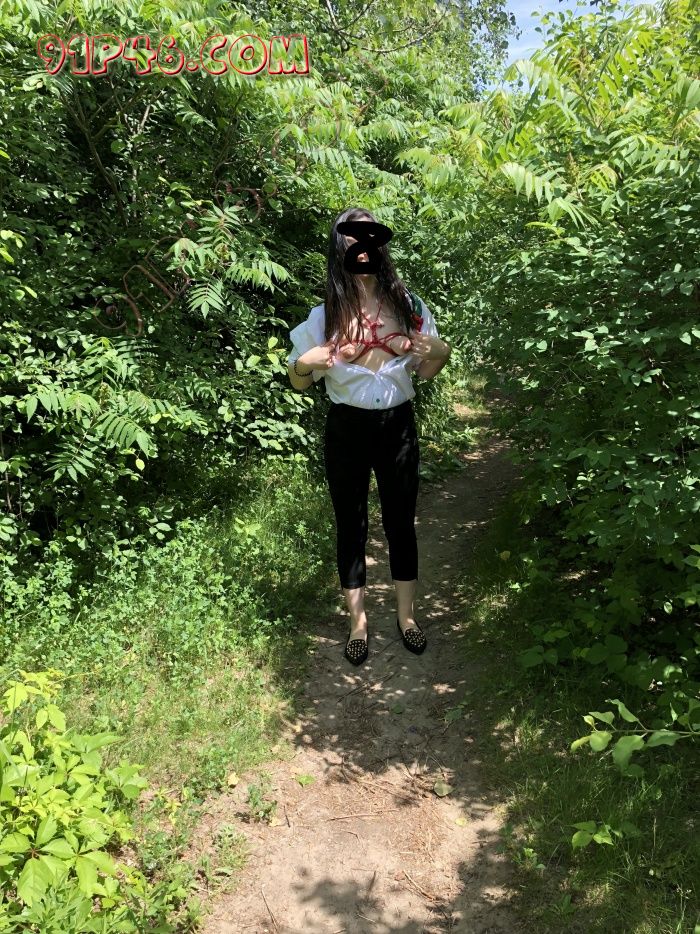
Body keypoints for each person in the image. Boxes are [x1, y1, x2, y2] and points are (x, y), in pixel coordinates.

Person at [286, 207, 451, 666]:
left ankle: (407, 617)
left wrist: (441, 350)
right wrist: (305, 363)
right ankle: (358, 624)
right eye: (351, 241)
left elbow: (427, 371)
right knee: (351, 524)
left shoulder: (408, 306)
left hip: (398, 425)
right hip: (347, 428)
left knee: (401, 521)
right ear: (339, 249)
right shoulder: (324, 316)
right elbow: (299, 382)